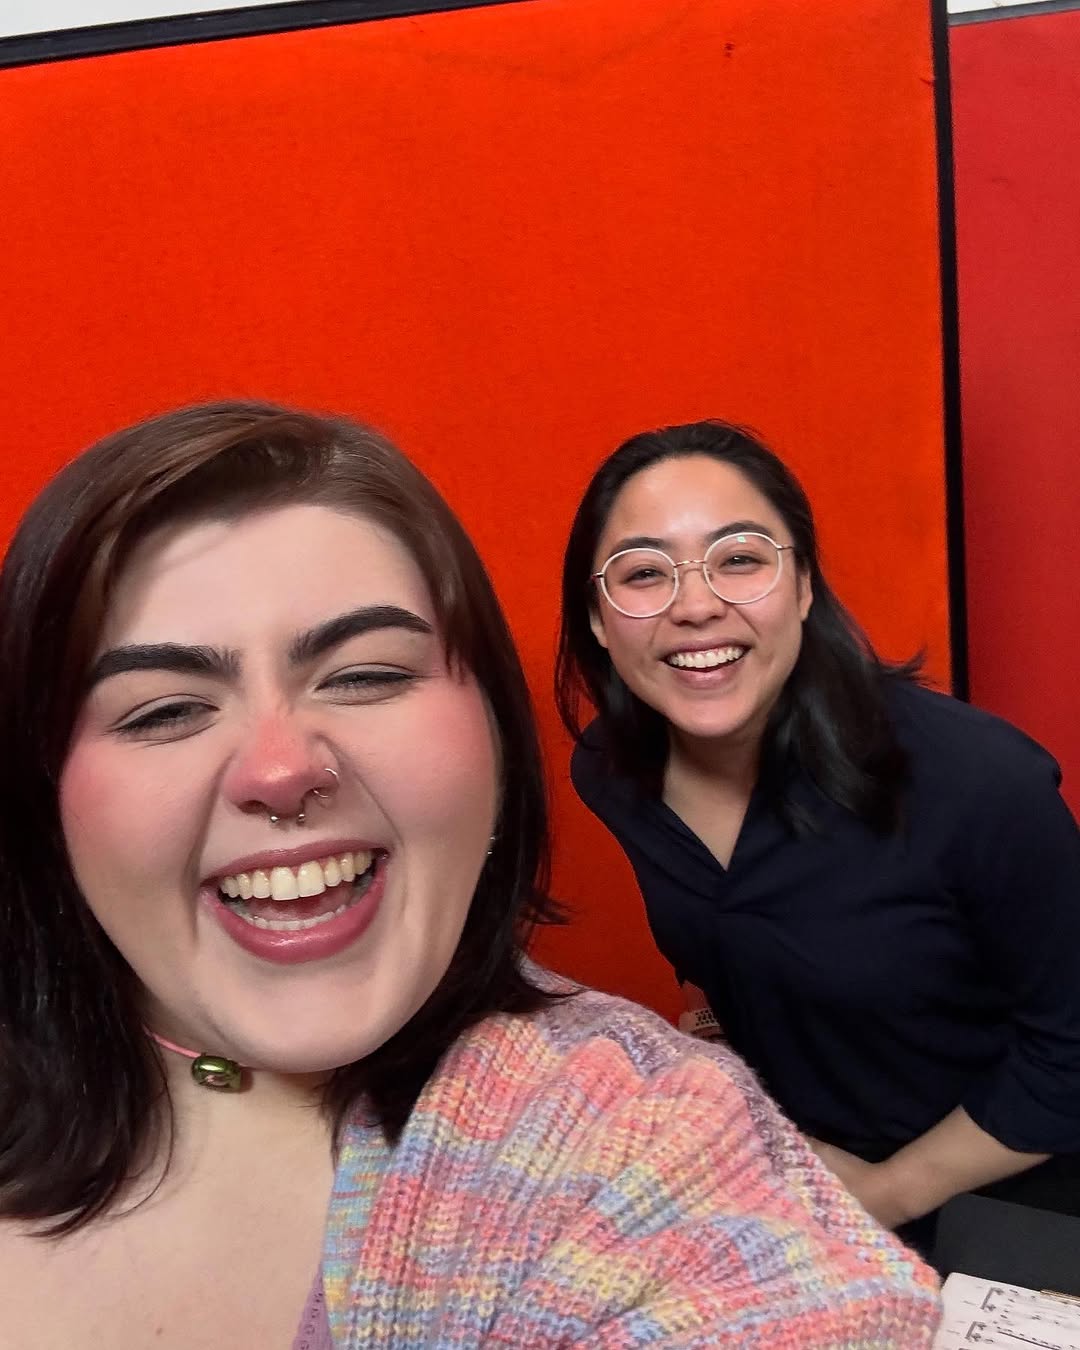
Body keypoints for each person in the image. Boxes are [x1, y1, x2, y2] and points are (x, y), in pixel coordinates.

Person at [0, 402, 938, 1348]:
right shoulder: (616, 774)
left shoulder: (632, 1143)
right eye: (162, 711)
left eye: (365, 675)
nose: (280, 771)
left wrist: (894, 1186)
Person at [556, 418, 1080, 1259]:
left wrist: (883, 1192)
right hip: (801, 1178)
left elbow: (1071, 1050)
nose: (696, 605)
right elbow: (735, 934)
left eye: (739, 559)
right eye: (645, 573)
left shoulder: (981, 783)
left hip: (1010, 1191)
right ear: (596, 617)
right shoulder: (613, 775)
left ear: (802, 585)